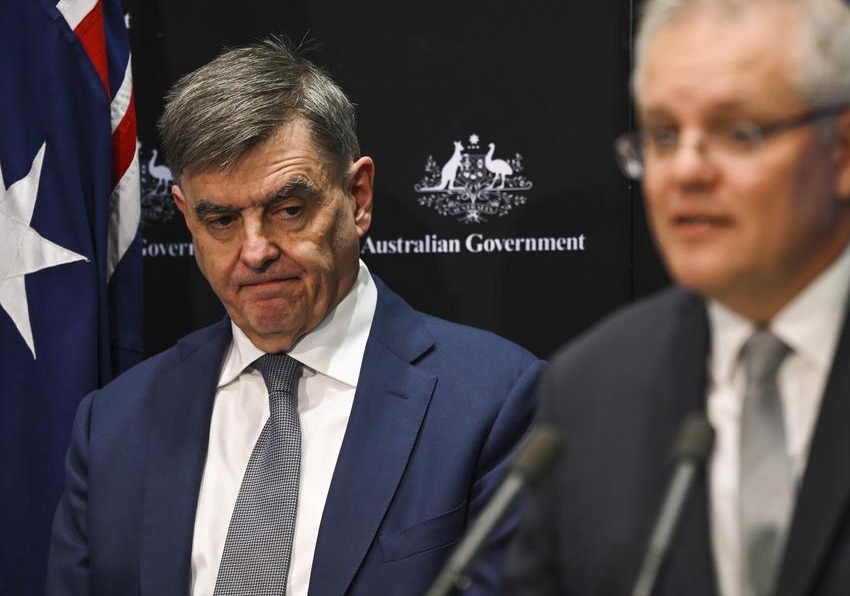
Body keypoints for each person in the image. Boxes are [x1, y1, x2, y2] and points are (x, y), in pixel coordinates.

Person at [502, 0, 850, 595]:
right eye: (663, 136)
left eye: (738, 133)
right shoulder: (590, 387)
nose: (686, 172)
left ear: (846, 151)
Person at [46, 38, 544, 596]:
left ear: (357, 198)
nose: (255, 250)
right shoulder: (113, 423)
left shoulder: (495, 403)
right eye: (222, 221)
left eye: (288, 210)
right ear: (186, 217)